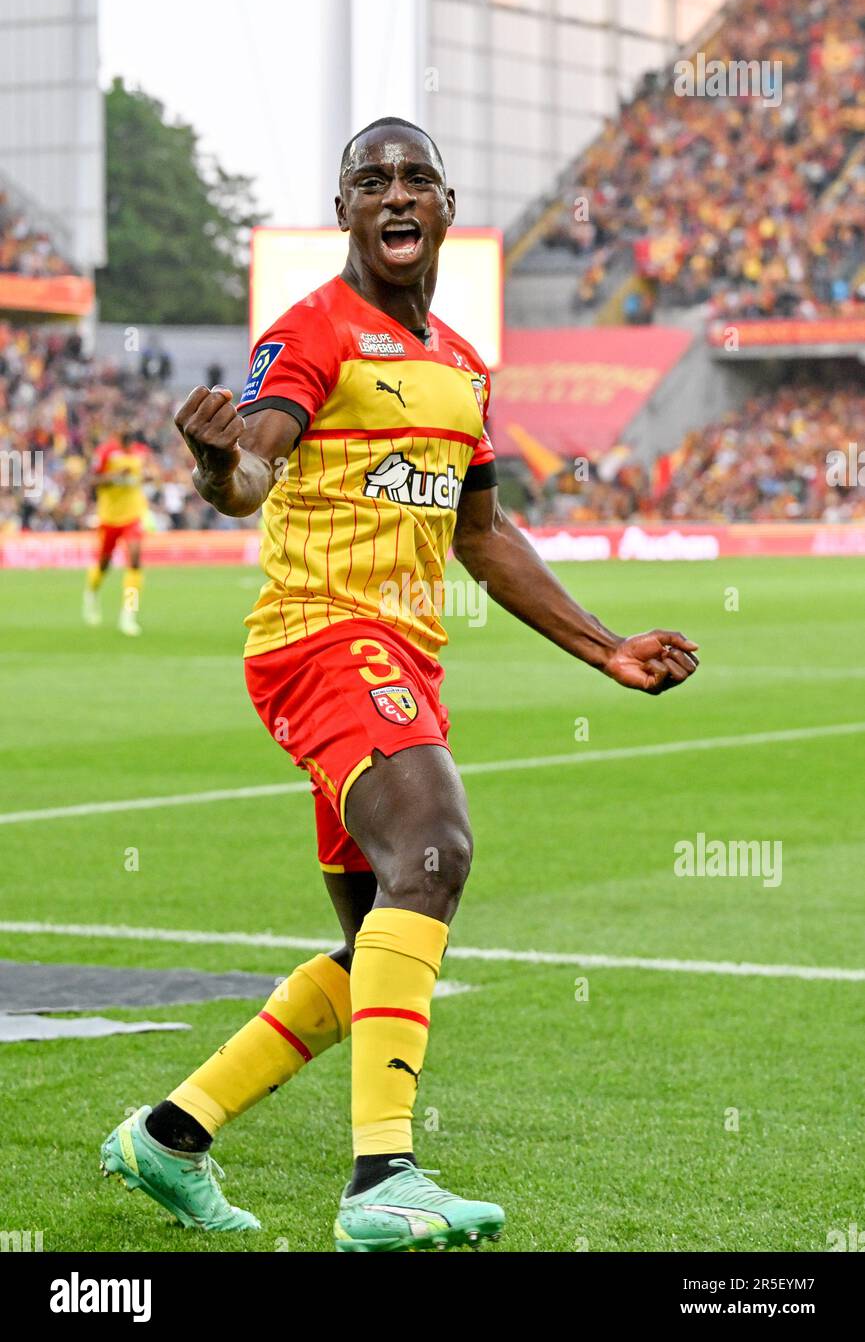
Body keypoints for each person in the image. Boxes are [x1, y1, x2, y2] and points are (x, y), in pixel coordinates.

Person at [100, 117, 699, 1253]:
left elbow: (483, 535)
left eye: (413, 175)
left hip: (398, 657)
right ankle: (384, 1178)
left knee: (379, 935)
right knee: (437, 848)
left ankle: (170, 1137)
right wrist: (216, 459)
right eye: (368, 179)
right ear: (343, 214)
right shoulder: (313, 332)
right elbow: (253, 471)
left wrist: (603, 647)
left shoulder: (464, 366)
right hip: (323, 642)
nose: (393, 192)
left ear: (444, 204)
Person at [83, 424, 151, 637]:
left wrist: (146, 476)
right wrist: (114, 477)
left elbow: (148, 474)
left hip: (133, 516)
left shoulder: (141, 452)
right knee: (104, 564)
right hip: (109, 517)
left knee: (135, 560)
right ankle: (91, 592)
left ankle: (128, 614)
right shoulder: (105, 453)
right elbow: (93, 481)